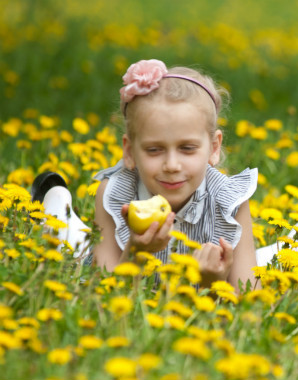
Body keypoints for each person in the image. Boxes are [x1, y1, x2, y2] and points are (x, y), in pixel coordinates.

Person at [34, 59, 258, 292]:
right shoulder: (116, 194)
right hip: (121, 277)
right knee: (68, 249)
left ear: (213, 148)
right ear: (129, 152)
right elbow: (103, 298)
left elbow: (250, 305)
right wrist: (136, 252)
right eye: (154, 150)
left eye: (187, 148)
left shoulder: (230, 202)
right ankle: (58, 207)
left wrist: (212, 284)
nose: (171, 165)